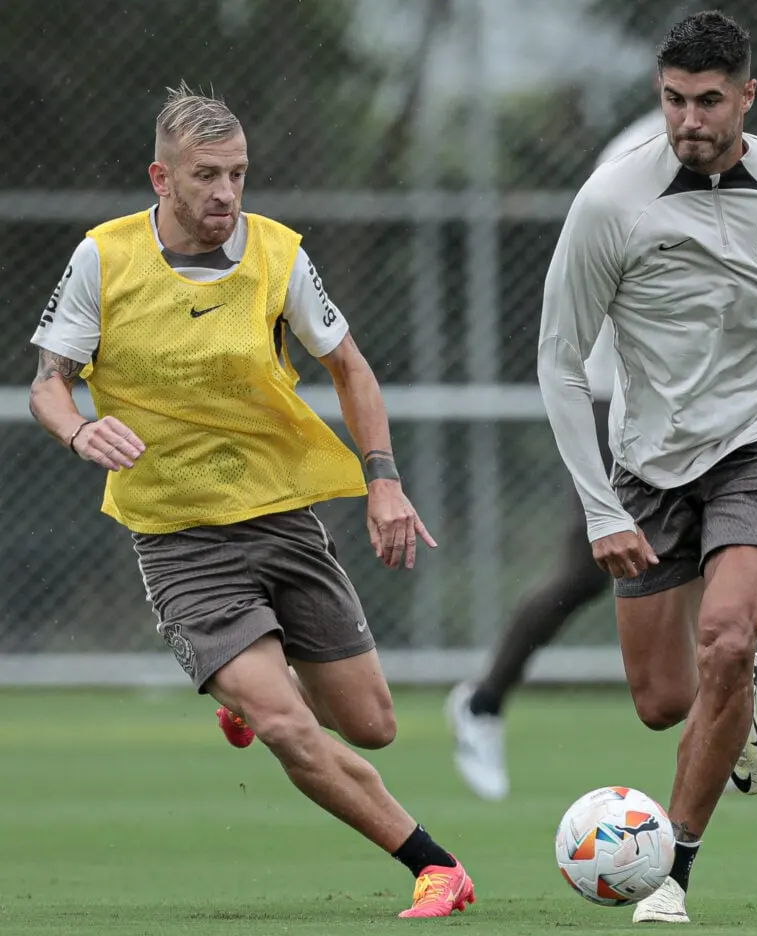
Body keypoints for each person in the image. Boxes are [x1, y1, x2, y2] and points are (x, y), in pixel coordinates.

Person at [27, 82, 475, 920]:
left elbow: (351, 367)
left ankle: (253, 691)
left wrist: (383, 479)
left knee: (371, 725)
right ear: (160, 177)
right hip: (178, 536)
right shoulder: (103, 257)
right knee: (283, 725)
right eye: (206, 175)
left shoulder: (277, 254)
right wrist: (81, 432)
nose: (226, 193)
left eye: (237, 174)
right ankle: (435, 865)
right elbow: (48, 383)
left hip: (282, 516)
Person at [536, 11, 757, 924]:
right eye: (676, 100)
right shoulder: (611, 202)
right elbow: (558, 361)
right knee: (662, 702)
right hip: (649, 462)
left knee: (728, 639)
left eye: (710, 100)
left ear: (747, 96)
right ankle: (740, 720)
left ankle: (673, 874)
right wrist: (601, 506)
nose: (690, 119)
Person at [446, 87, 757, 805]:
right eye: (687, 96)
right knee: (588, 571)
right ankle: (483, 702)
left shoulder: (749, 159)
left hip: (713, 411)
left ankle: (740, 728)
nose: (699, 117)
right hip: (629, 403)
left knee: (729, 575)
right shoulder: (637, 157)